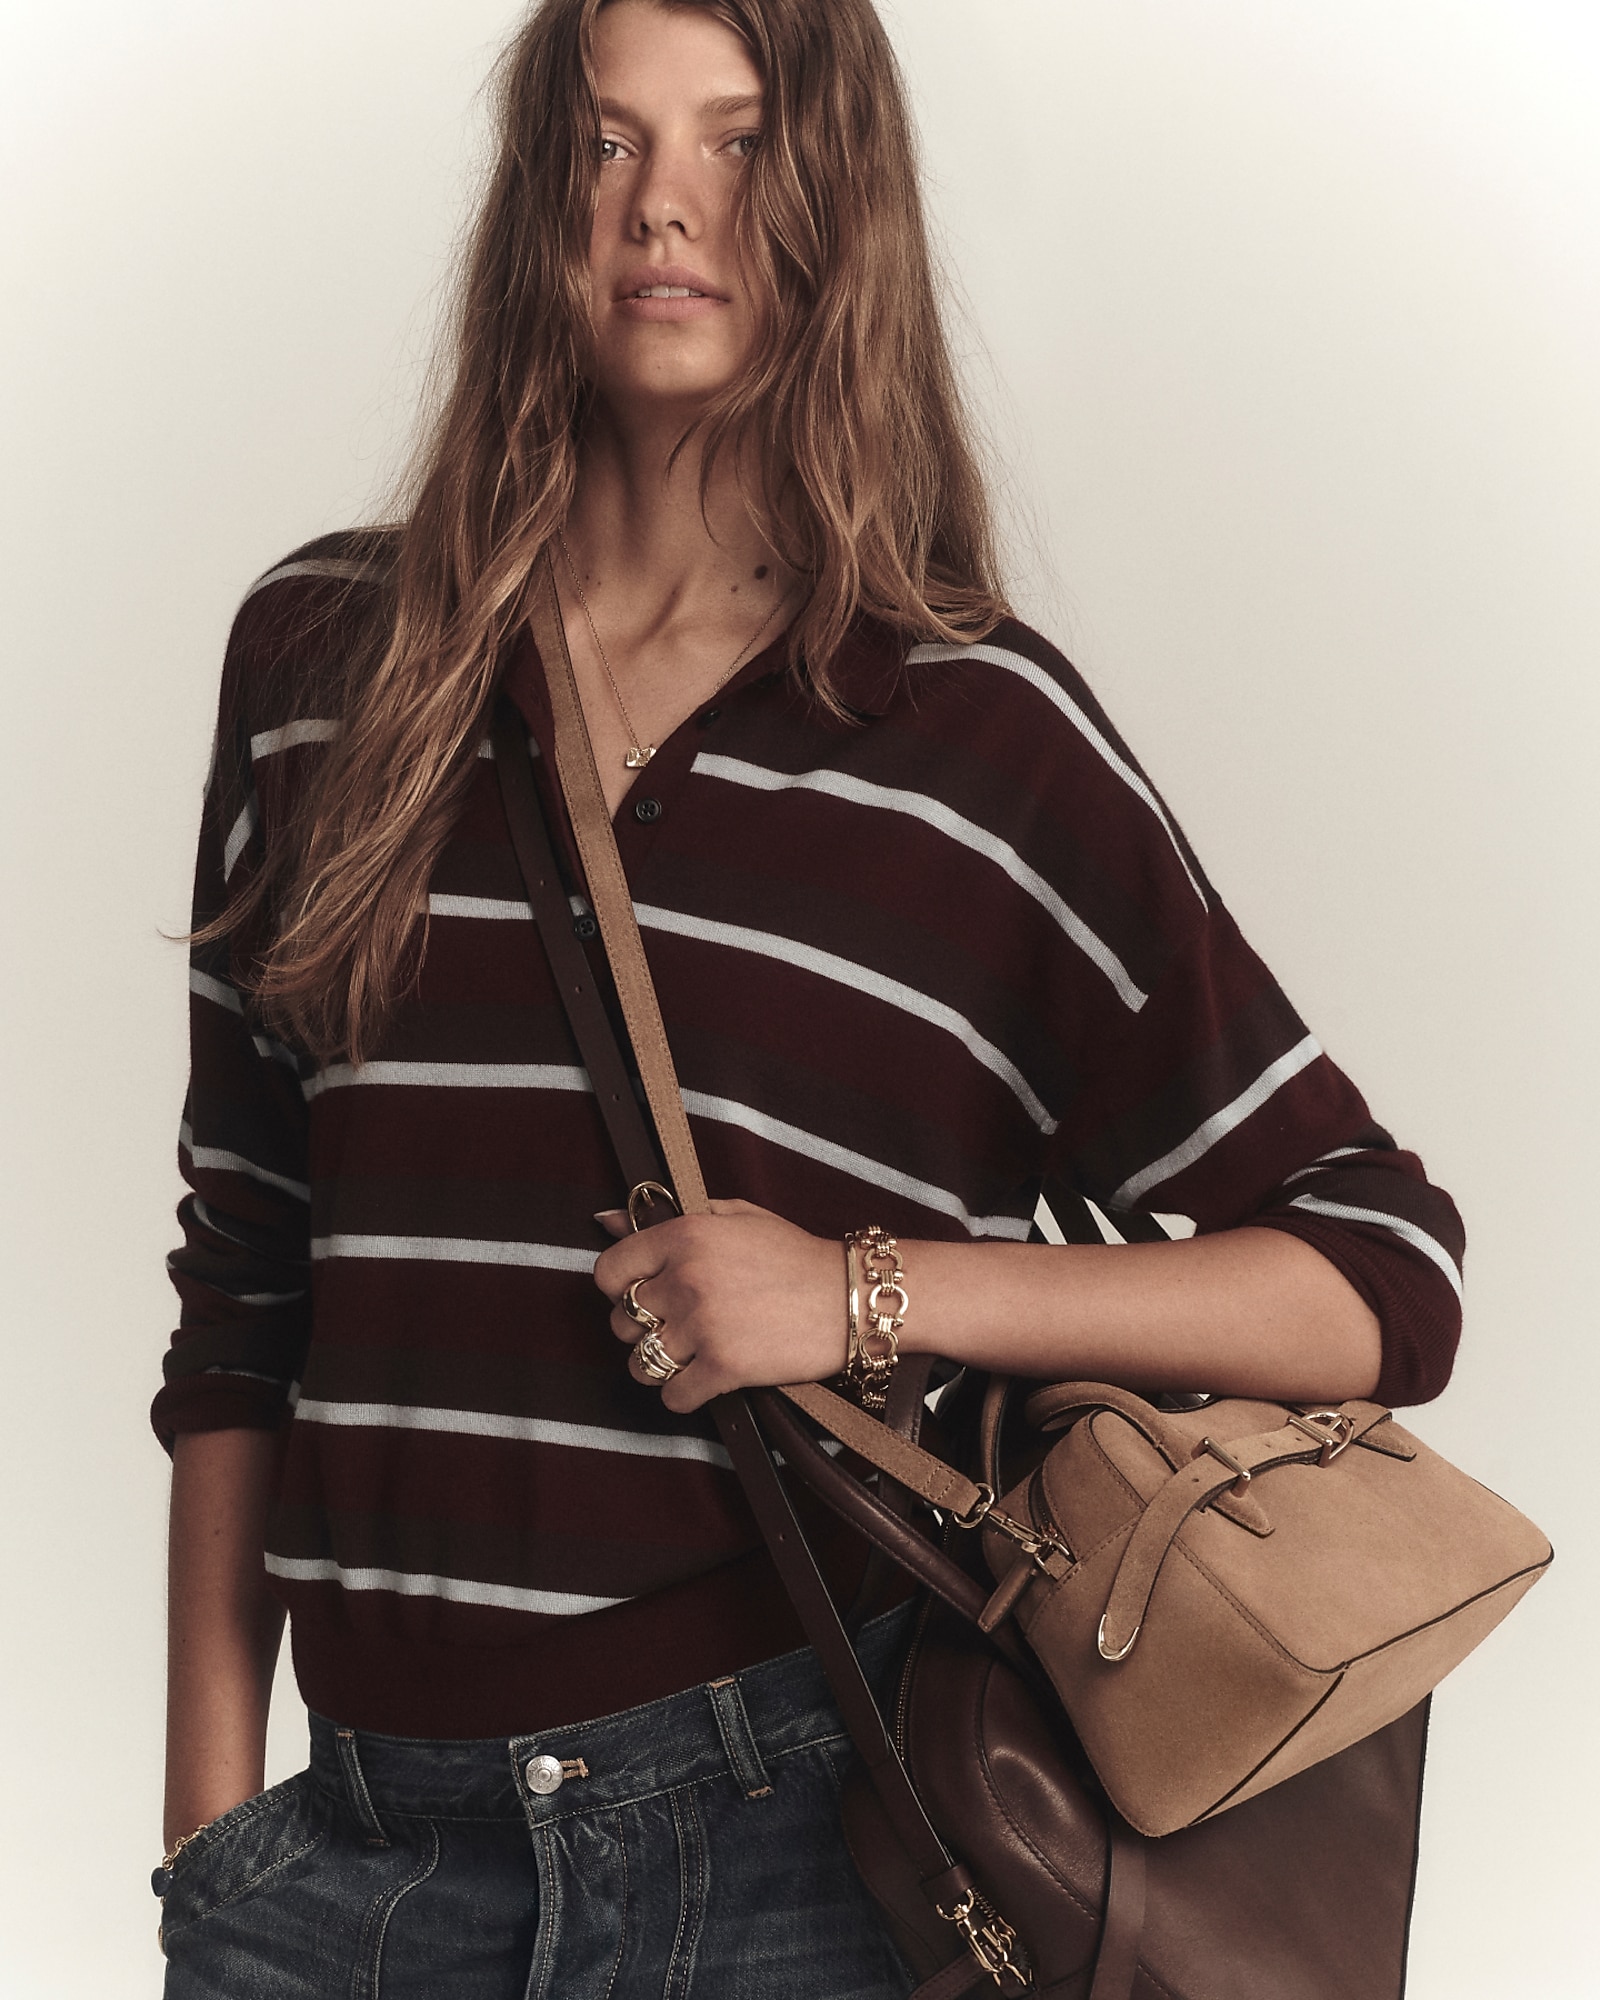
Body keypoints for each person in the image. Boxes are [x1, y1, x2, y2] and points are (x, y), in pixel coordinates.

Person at [152, 0, 1464, 1993]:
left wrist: (864, 1292)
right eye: (606, 142)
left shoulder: (976, 741)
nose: (662, 205)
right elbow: (246, 1282)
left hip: (785, 1845)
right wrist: (211, 1833)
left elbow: (1377, 1273)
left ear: (836, 200)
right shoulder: (324, 664)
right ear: (536, 197)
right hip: (348, 1868)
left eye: (739, 142)